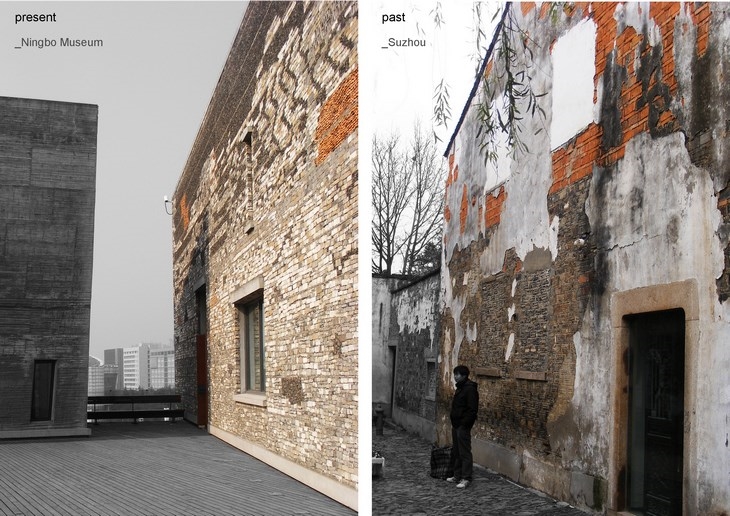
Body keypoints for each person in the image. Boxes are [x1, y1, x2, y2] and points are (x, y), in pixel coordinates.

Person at [446, 365, 479, 489]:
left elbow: (472, 410)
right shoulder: (460, 388)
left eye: (457, 374)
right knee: (457, 451)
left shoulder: (469, 389)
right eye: (455, 374)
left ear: (464, 376)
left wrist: (464, 424)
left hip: (462, 426)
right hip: (456, 424)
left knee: (464, 452)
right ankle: (457, 475)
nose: (455, 376)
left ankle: (466, 478)